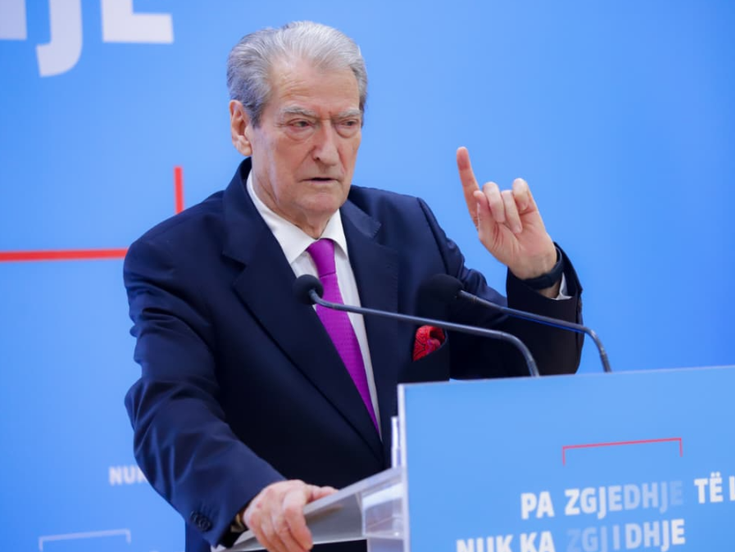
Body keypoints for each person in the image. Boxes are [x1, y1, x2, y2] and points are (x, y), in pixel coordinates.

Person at [124, 21, 583, 552]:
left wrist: (539, 275)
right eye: (301, 124)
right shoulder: (177, 259)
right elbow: (170, 411)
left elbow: (528, 364)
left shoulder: (408, 228)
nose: (328, 150)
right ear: (242, 126)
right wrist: (254, 497)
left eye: (347, 123)